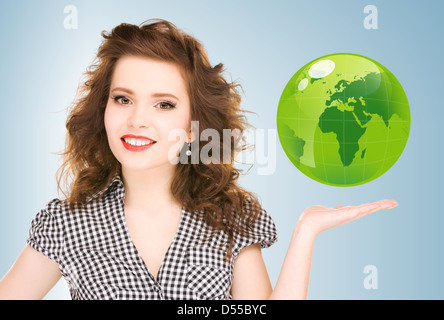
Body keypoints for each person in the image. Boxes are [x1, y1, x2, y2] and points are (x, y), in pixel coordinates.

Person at [0, 19, 397, 300]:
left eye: (164, 104)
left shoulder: (233, 219)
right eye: (123, 99)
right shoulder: (67, 223)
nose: (137, 120)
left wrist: (306, 231)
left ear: (193, 127)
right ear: (103, 109)